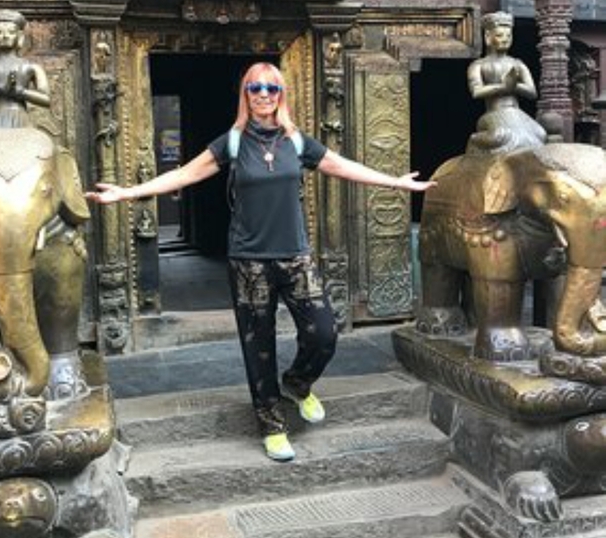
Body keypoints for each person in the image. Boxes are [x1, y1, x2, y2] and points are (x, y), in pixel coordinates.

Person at [86, 61, 435, 463]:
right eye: (255, 88)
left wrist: (396, 182)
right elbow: (182, 175)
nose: (264, 95)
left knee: (323, 332)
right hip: (249, 261)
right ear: (245, 94)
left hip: (295, 257)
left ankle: (298, 384)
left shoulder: (297, 142)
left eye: (272, 87)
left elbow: (342, 167)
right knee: (260, 347)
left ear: (281, 93)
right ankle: (271, 424)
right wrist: (128, 193)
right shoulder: (231, 143)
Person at [466, 10, 547, 154]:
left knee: (540, 134)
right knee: (502, 136)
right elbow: (476, 91)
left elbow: (532, 92)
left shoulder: (517, 64)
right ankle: (475, 140)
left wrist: (514, 86)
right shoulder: (478, 65)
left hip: (516, 113)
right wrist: (503, 87)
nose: (505, 39)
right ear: (488, 37)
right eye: (499, 35)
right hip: (493, 113)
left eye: (509, 35)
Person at [0, 9, 51, 128]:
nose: (5, 36)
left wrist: (20, 91)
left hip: (21, 119)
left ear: (19, 36)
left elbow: (46, 99)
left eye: (11, 32)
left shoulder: (32, 67)